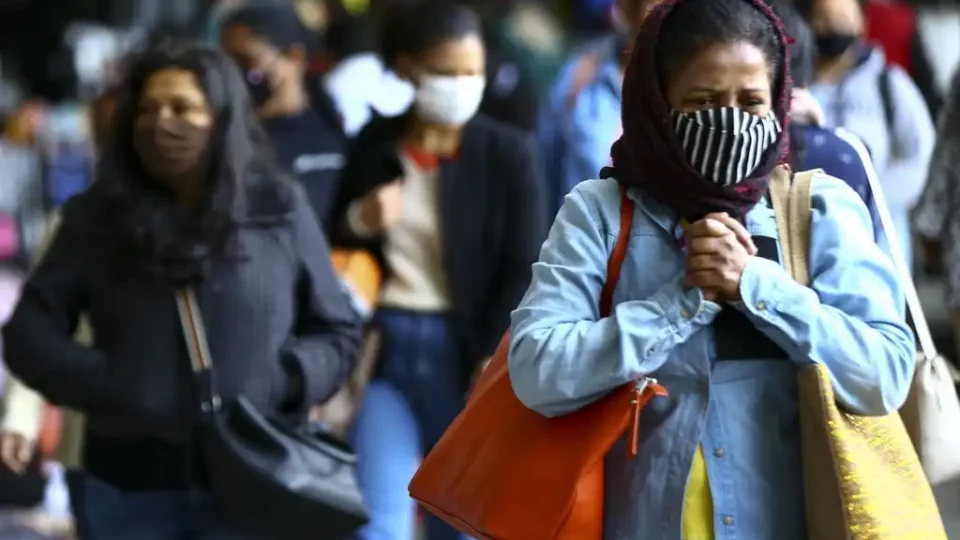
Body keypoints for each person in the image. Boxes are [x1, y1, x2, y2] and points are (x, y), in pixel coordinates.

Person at [506, 0, 915, 538]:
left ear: (780, 102)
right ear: (658, 102)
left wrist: (756, 285)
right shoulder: (602, 214)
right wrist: (679, 304)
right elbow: (536, 371)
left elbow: (883, 375)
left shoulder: (817, 212)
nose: (730, 122)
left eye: (751, 102)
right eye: (703, 102)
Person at [2, 40, 363, 539]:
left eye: (183, 108)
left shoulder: (276, 208)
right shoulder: (96, 218)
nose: (162, 123)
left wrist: (285, 379)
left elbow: (339, 329)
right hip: (126, 487)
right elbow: (29, 334)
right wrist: (106, 384)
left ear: (222, 118)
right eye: (148, 109)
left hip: (252, 482)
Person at [328, 2, 547, 539]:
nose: (462, 85)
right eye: (447, 72)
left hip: (469, 355)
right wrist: (363, 217)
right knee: (378, 522)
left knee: (464, 521)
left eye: (472, 72)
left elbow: (526, 264)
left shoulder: (507, 154)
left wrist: (493, 357)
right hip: (387, 353)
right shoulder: (375, 145)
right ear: (407, 68)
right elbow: (333, 237)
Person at [796, 0, 934, 269]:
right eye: (823, 18)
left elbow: (920, 155)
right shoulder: (796, 87)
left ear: (862, 23)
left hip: (880, 235)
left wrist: (872, 200)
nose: (834, 27)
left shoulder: (889, 82)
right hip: (807, 233)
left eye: (843, 18)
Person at [220, 3, 348, 224]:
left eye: (246, 60)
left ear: (294, 56)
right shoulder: (229, 135)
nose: (235, 74)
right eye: (228, 62)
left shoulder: (332, 127)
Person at [537, 0, 660, 216]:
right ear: (627, 8)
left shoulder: (695, 90)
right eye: (653, 3)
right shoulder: (580, 79)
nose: (664, 12)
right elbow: (544, 169)